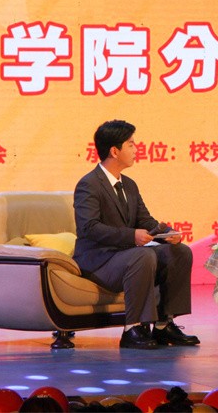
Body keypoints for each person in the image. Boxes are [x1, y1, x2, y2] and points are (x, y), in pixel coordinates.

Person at [73, 120, 199, 350]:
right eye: (130, 144)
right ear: (114, 151)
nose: (136, 149)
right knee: (143, 256)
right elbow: (89, 228)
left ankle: (163, 325)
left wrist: (167, 234)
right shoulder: (89, 184)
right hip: (99, 261)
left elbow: (145, 221)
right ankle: (133, 328)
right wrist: (132, 236)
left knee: (179, 252)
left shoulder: (129, 185)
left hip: (126, 256)